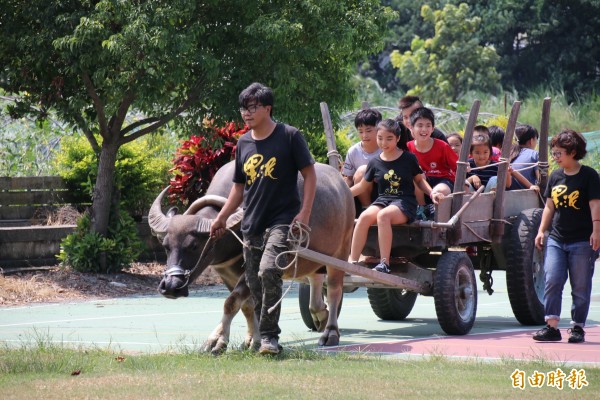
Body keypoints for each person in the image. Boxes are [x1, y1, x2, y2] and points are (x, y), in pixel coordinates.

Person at [210, 82, 316, 355]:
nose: (246, 113)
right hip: (251, 222)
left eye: (253, 107)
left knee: (269, 271)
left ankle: (270, 337)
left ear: (267, 108)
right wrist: (222, 217)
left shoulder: (290, 136)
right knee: (254, 283)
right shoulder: (243, 143)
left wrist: (303, 213)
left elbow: (310, 175)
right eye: (243, 108)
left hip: (283, 219)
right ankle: (260, 332)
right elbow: (238, 188)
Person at [533, 129, 600, 343]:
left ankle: (577, 327)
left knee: (580, 285)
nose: (555, 157)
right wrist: (541, 230)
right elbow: (549, 207)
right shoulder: (555, 176)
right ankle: (551, 326)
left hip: (582, 240)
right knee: (552, 279)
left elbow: (595, 204)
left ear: (572, 152)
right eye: (554, 152)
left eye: (559, 153)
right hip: (557, 239)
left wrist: (596, 230)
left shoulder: (589, 175)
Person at [349, 119, 441, 273]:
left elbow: (419, 180)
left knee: (383, 216)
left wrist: (432, 193)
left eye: (389, 138)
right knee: (364, 217)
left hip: (404, 203)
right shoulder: (374, 162)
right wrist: (343, 193)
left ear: (398, 138)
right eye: (380, 138)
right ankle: (352, 262)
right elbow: (362, 186)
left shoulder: (408, 158)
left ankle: (384, 263)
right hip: (383, 200)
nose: (384, 143)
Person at [406, 107, 457, 214]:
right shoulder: (407, 148)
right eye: (420, 125)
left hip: (443, 180)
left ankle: (438, 214)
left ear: (433, 128)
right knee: (414, 174)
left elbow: (456, 167)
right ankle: (422, 209)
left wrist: (464, 182)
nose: (424, 129)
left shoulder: (442, 146)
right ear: (411, 128)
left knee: (439, 191)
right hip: (420, 184)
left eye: (428, 125)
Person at [341, 109, 382, 208]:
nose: (364, 135)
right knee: (362, 171)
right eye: (360, 131)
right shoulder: (353, 151)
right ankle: (366, 209)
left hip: (384, 191)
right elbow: (349, 179)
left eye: (368, 131)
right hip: (361, 193)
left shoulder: (387, 148)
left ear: (379, 128)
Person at [509, 124, 540, 190]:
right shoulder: (535, 154)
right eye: (536, 140)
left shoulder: (509, 153)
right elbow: (541, 180)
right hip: (527, 196)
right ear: (531, 141)